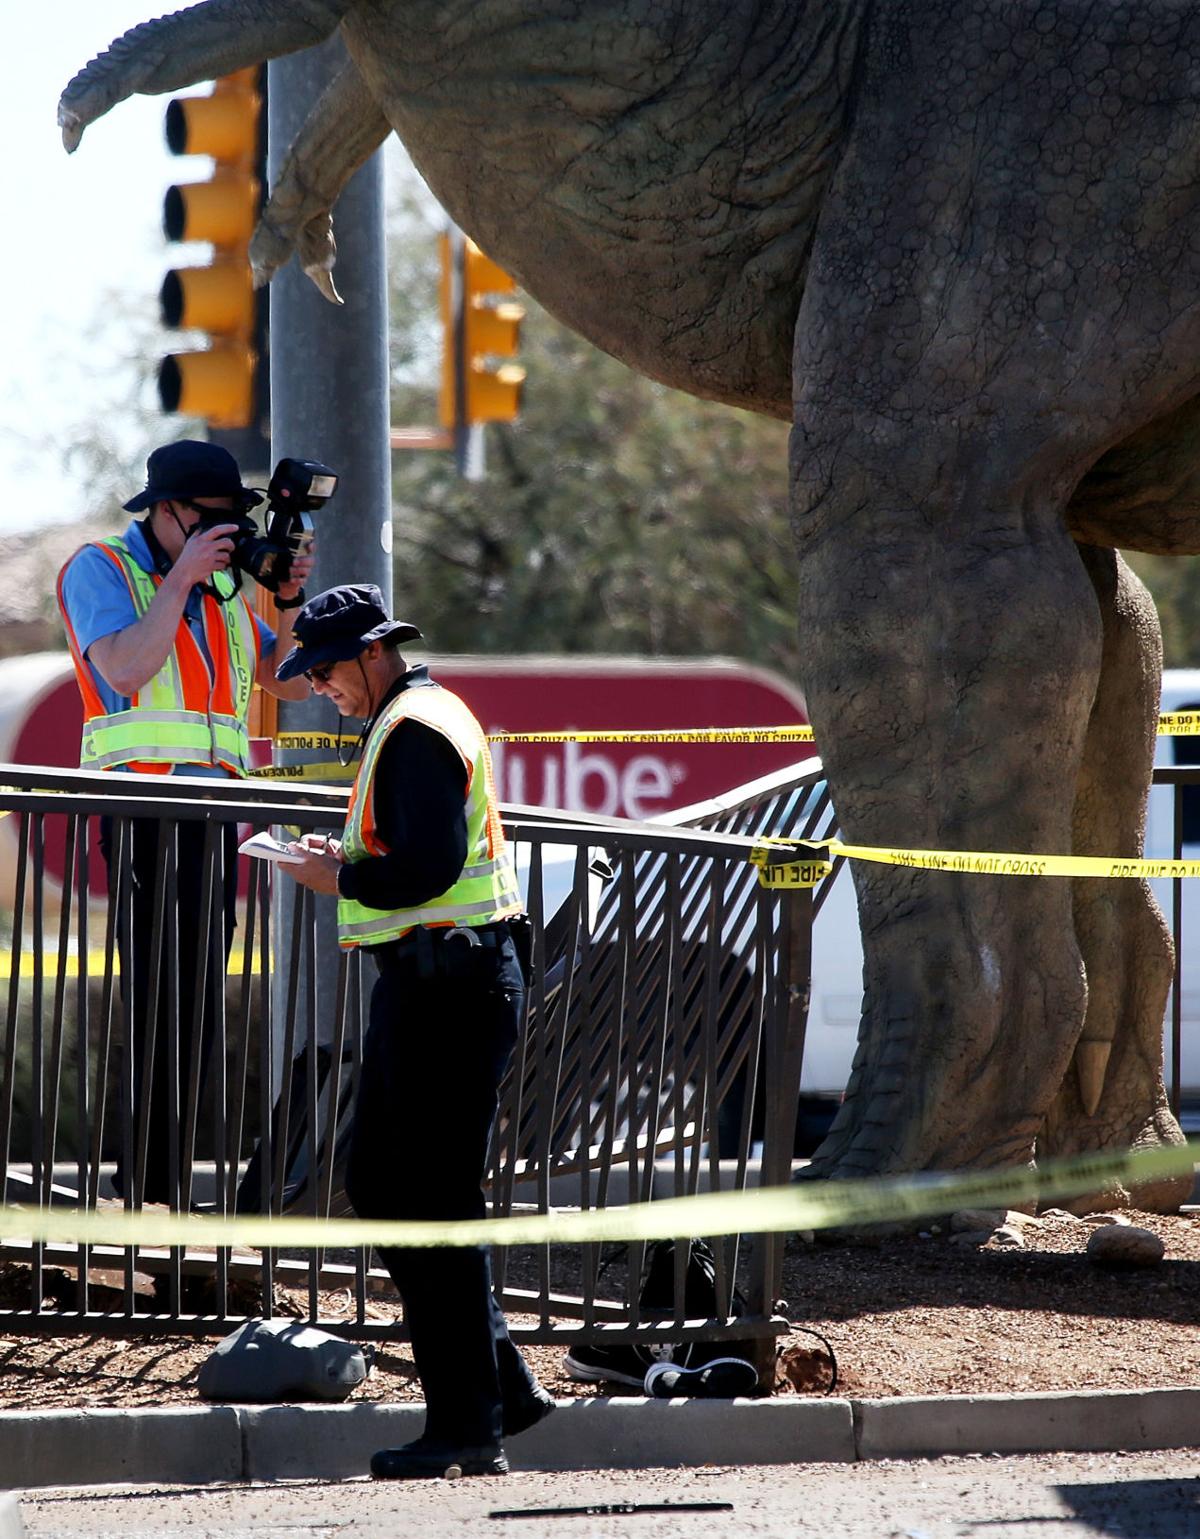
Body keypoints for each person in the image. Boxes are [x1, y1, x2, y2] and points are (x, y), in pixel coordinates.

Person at [276, 583, 554, 1480]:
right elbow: (418, 855)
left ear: (370, 652)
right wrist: (349, 865)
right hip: (436, 980)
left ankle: (468, 1421)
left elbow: (430, 863)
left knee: (430, 1201)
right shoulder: (412, 718)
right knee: (386, 1182)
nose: (321, 686)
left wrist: (340, 881)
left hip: (450, 983)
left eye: (324, 670)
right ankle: (496, 1386)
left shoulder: (413, 728)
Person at [57, 440, 313, 1205]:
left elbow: (286, 680)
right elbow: (127, 669)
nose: (227, 536)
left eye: (234, 523)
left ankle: (163, 1191)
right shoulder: (101, 567)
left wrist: (291, 598)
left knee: (196, 1008)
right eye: (211, 522)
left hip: (209, 821)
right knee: (154, 1005)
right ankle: (140, 1191)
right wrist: (182, 578)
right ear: (164, 511)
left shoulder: (226, 591)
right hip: (141, 812)